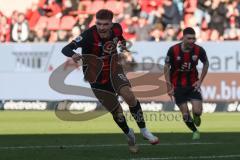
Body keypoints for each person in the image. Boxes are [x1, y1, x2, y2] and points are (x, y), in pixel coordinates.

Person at [61, 9, 159, 153]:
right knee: (117, 112)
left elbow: (121, 38)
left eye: (105, 24)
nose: (101, 27)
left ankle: (144, 130)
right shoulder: (88, 35)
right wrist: (73, 54)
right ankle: (129, 134)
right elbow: (66, 48)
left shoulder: (117, 29)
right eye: (98, 24)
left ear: (111, 23)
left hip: (114, 70)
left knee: (129, 96)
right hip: (95, 77)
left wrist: (123, 44)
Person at [164, 27, 209, 140]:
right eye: (189, 38)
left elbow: (206, 63)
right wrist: (168, 86)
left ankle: (197, 116)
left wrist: (200, 81)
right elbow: (166, 67)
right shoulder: (173, 50)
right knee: (185, 113)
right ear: (183, 37)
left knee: (197, 111)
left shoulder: (199, 50)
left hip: (193, 84)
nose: (192, 41)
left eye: (194, 38)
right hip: (178, 86)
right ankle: (195, 131)